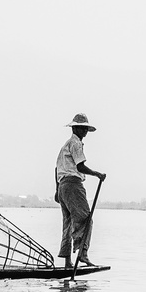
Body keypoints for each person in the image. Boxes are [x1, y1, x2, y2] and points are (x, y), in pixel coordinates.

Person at [54, 113, 106, 267]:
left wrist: (58, 190)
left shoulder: (65, 145)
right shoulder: (75, 144)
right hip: (72, 185)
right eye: (82, 129)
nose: (85, 132)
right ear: (75, 128)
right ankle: (83, 253)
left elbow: (57, 168)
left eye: (86, 129)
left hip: (63, 186)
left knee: (68, 223)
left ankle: (67, 262)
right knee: (86, 220)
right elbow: (80, 166)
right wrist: (97, 174)